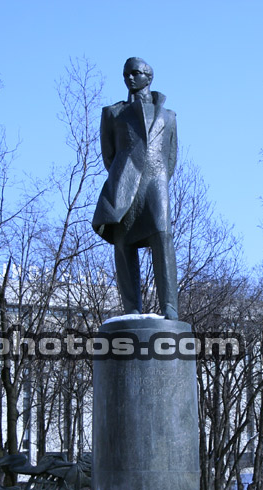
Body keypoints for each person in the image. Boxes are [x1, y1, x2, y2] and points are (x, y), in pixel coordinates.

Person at [92, 57, 179, 320]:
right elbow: (108, 155)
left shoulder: (169, 116)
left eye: (135, 73)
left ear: (148, 77)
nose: (129, 78)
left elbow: (172, 156)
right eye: (126, 74)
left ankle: (170, 306)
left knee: (162, 237)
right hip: (125, 182)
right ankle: (131, 308)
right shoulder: (113, 113)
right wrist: (125, 174)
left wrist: (157, 178)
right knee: (123, 243)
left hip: (156, 181)